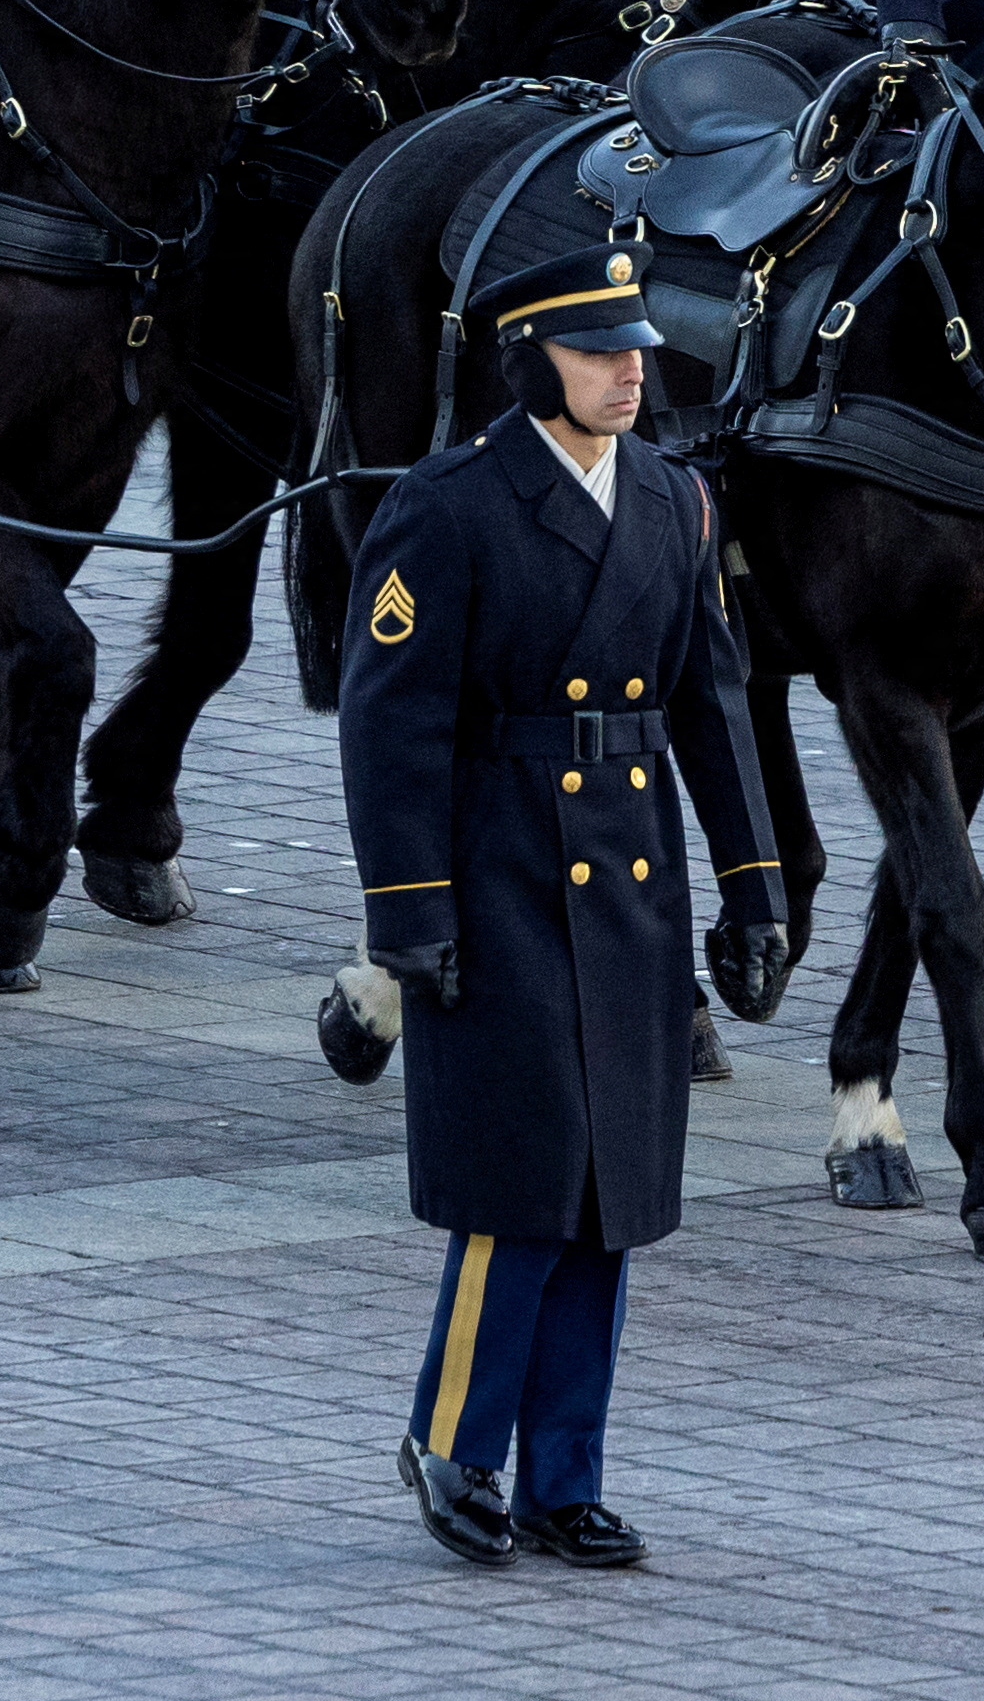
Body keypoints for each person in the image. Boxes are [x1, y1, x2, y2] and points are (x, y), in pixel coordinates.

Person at [323, 218, 786, 1571]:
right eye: (597, 354)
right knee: (518, 1193)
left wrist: (755, 886)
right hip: (501, 876)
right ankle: (456, 1443)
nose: (629, 374)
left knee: (610, 1197)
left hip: (629, 886)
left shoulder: (671, 497)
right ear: (532, 364)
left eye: (635, 351)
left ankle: (564, 1475)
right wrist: (409, 915)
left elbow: (714, 702)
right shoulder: (449, 506)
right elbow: (389, 724)